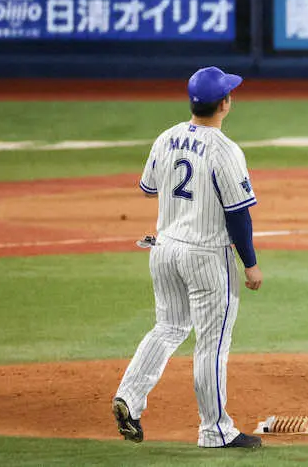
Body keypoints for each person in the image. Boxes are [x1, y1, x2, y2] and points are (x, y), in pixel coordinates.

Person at [112, 66, 264, 449]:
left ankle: (129, 397)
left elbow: (148, 188)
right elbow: (238, 214)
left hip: (163, 250)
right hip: (207, 256)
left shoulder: (167, 137)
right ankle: (216, 430)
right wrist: (250, 263)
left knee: (168, 328)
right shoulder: (226, 150)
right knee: (211, 343)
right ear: (225, 104)